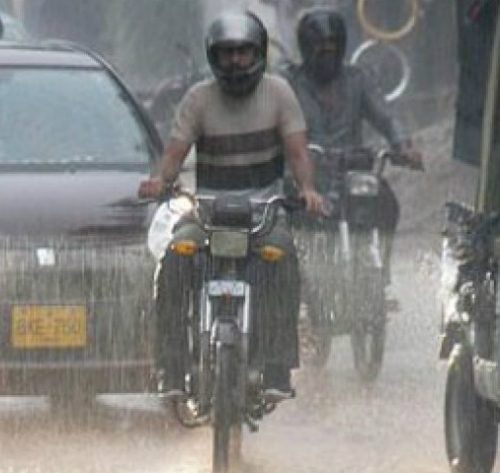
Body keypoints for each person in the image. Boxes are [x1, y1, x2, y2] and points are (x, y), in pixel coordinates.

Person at [139, 11, 324, 402]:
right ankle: (171, 367)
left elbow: (298, 151)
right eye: (227, 54)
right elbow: (174, 155)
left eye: (242, 52)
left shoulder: (279, 93)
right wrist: (161, 181)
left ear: (258, 52)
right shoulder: (198, 99)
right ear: (213, 57)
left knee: (283, 259)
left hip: (265, 212)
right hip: (206, 214)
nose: (236, 62)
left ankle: (276, 367)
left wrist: (308, 189)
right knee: (174, 258)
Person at [282, 7, 421, 278]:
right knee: (283, 216)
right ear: (306, 47)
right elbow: (274, 120)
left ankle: (381, 268)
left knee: (386, 202)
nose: (327, 51)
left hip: (353, 170)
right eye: (320, 45)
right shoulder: (290, 83)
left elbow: (387, 117)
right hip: (307, 174)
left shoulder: (358, 79)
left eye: (333, 44)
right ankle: (291, 278)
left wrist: (403, 145)